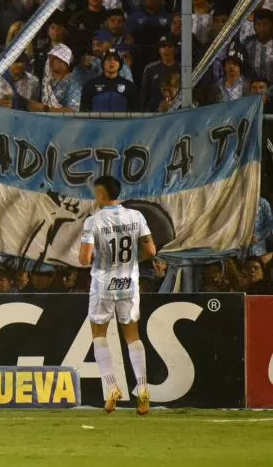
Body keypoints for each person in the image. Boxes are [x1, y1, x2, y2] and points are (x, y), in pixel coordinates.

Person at [78, 175, 156, 415]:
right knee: (132, 335)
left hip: (104, 284)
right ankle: (142, 389)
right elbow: (151, 250)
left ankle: (112, 387)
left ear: (101, 194)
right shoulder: (136, 216)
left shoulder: (94, 221)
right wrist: (134, 261)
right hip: (129, 283)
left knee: (99, 334)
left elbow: (84, 259)